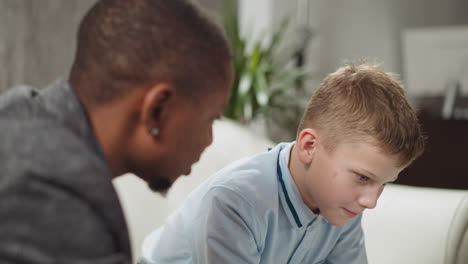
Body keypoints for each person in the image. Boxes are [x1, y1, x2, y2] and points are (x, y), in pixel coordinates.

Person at [0, 0, 232, 263]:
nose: (210, 139)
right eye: (211, 118)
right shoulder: (54, 193)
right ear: (157, 109)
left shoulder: (22, 112)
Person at [140, 63, 425, 264]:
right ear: (309, 147)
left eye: (382, 184)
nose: (371, 201)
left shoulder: (342, 206)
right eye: (363, 178)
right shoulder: (234, 203)